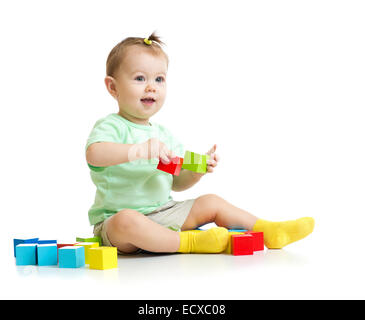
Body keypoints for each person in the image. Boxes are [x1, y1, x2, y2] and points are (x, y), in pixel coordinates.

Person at [85, 32, 314, 254]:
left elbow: (175, 182)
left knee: (211, 202)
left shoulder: (164, 136)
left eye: (159, 79)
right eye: (140, 78)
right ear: (113, 87)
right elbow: (95, 154)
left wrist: (196, 172)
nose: (151, 87)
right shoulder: (111, 126)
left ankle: (270, 231)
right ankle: (189, 243)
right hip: (117, 223)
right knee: (127, 220)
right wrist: (139, 150)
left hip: (163, 213)